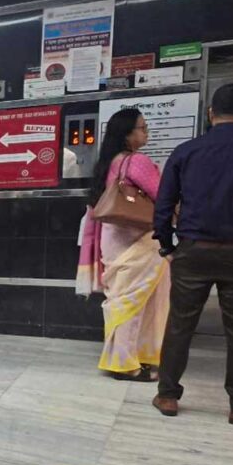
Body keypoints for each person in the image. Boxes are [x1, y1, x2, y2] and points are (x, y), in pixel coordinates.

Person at [152, 83, 233, 424]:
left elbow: (164, 204)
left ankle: (168, 395)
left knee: (180, 324)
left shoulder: (186, 151)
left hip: (192, 251)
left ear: (211, 113)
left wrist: (166, 245)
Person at [77, 108, 169, 383]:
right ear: (127, 134)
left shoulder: (109, 163)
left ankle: (130, 356)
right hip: (138, 239)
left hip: (113, 238)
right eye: (142, 128)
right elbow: (163, 195)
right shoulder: (137, 162)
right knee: (136, 302)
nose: (146, 132)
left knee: (123, 299)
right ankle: (125, 363)